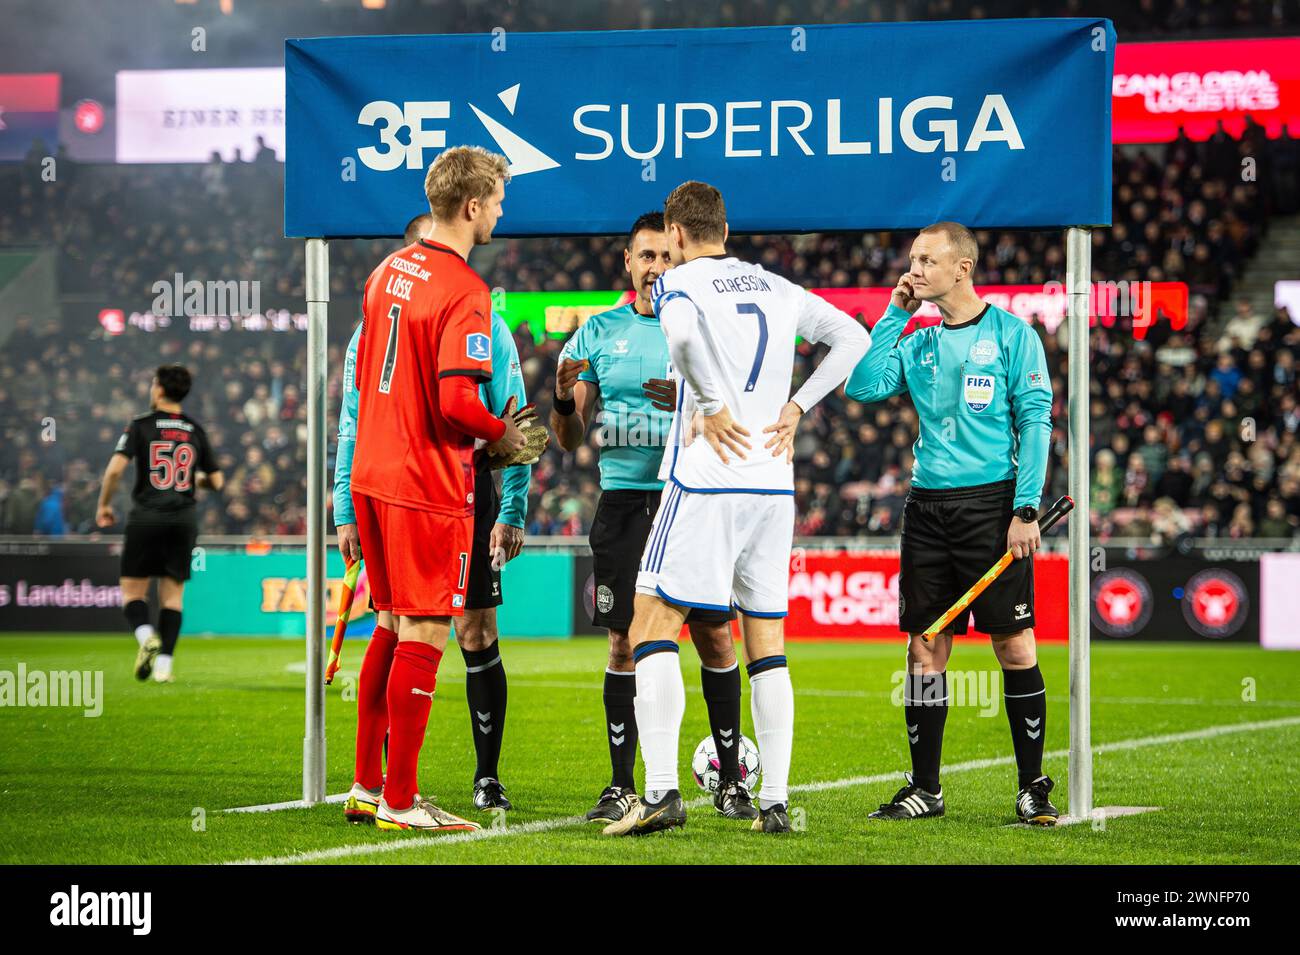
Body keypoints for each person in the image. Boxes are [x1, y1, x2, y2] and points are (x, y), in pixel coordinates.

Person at [605, 181, 868, 836]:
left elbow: (682, 334)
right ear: (725, 228)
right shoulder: (776, 288)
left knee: (649, 624)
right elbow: (854, 338)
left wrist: (712, 403)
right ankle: (774, 800)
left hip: (706, 483)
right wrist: (798, 405)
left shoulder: (681, 284)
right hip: (772, 486)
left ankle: (662, 791)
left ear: (677, 232)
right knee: (766, 644)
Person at [846, 221, 1057, 825]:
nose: (912, 269)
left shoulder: (1014, 335)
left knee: (1013, 645)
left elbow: (1036, 421)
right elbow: (863, 386)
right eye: (911, 259)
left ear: (961, 267)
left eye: (925, 260)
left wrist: (1025, 508)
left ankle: (1032, 787)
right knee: (925, 645)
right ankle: (925, 787)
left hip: (993, 509)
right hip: (927, 509)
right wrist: (892, 314)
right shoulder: (917, 343)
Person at [344, 145, 526, 833]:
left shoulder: (387, 269)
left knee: (387, 622)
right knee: (423, 627)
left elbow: (364, 381)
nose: (502, 210)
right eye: (499, 199)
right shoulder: (464, 290)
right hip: (424, 481)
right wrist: (498, 432)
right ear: (472, 204)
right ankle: (400, 797)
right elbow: (456, 401)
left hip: (372, 472)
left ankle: (365, 784)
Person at [551, 212, 746, 826]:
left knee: (715, 635)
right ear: (628, 262)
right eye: (646, 257)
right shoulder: (594, 334)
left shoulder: (705, 323)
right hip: (625, 502)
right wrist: (560, 398)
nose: (657, 267)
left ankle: (732, 784)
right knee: (622, 642)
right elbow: (568, 437)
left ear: (679, 257)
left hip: (692, 498)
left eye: (666, 255)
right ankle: (620, 785)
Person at [95, 364, 223, 684]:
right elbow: (217, 481)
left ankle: (145, 636)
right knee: (172, 597)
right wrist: (193, 478)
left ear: (160, 389)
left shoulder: (140, 425)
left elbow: (113, 471)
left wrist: (105, 506)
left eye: (153, 383)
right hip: (183, 519)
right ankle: (165, 666)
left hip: (146, 517)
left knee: (133, 594)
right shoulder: (195, 429)